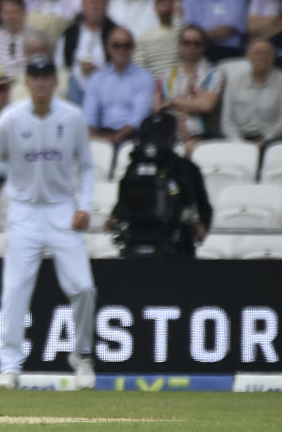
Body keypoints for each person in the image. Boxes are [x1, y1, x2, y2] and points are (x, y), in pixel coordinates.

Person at [0, 55, 96, 390]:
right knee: (14, 290)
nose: (41, 83)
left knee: (84, 287)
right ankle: (9, 367)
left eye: (46, 77)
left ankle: (82, 356)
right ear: (27, 82)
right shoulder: (11, 119)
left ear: (55, 81)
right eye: (35, 77)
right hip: (24, 211)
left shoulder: (72, 117)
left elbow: (86, 166)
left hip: (61, 209)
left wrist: (86, 205)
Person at [108, 112, 212, 258]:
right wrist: (115, 217)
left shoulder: (185, 169)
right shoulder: (134, 167)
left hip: (175, 246)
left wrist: (201, 225)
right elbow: (125, 199)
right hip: (136, 239)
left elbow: (202, 206)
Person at [154, 25, 224, 154]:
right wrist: (191, 103)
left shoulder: (213, 74)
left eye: (196, 44)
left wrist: (174, 103)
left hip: (201, 136)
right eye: (186, 43)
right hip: (171, 135)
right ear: (180, 45)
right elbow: (157, 107)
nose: (191, 48)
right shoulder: (169, 74)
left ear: (204, 46)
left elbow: (206, 105)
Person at [84, 27, 155, 145]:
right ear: (108, 48)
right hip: (101, 135)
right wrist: (95, 137)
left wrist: (115, 139)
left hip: (132, 137)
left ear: (133, 48)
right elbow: (89, 116)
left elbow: (139, 118)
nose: (122, 50)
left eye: (127, 46)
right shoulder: (97, 78)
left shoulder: (144, 77)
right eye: (117, 45)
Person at [220, 38, 282, 144]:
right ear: (248, 57)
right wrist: (239, 142)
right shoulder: (235, 82)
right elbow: (227, 120)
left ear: (274, 57)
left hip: (274, 140)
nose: (262, 57)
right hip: (241, 140)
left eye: (267, 53)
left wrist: (266, 140)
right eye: (257, 53)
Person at [56, 0, 116, 105]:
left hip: (108, 87)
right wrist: (79, 69)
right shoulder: (69, 34)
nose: (94, 6)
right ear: (83, 5)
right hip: (75, 90)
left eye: (98, 2)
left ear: (107, 6)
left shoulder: (115, 32)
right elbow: (60, 66)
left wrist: (99, 71)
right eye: (91, 2)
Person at [136, 0, 184, 76]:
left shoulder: (188, 34)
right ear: (155, 6)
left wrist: (178, 16)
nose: (166, 3)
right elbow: (139, 71)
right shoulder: (145, 38)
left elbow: (181, 42)